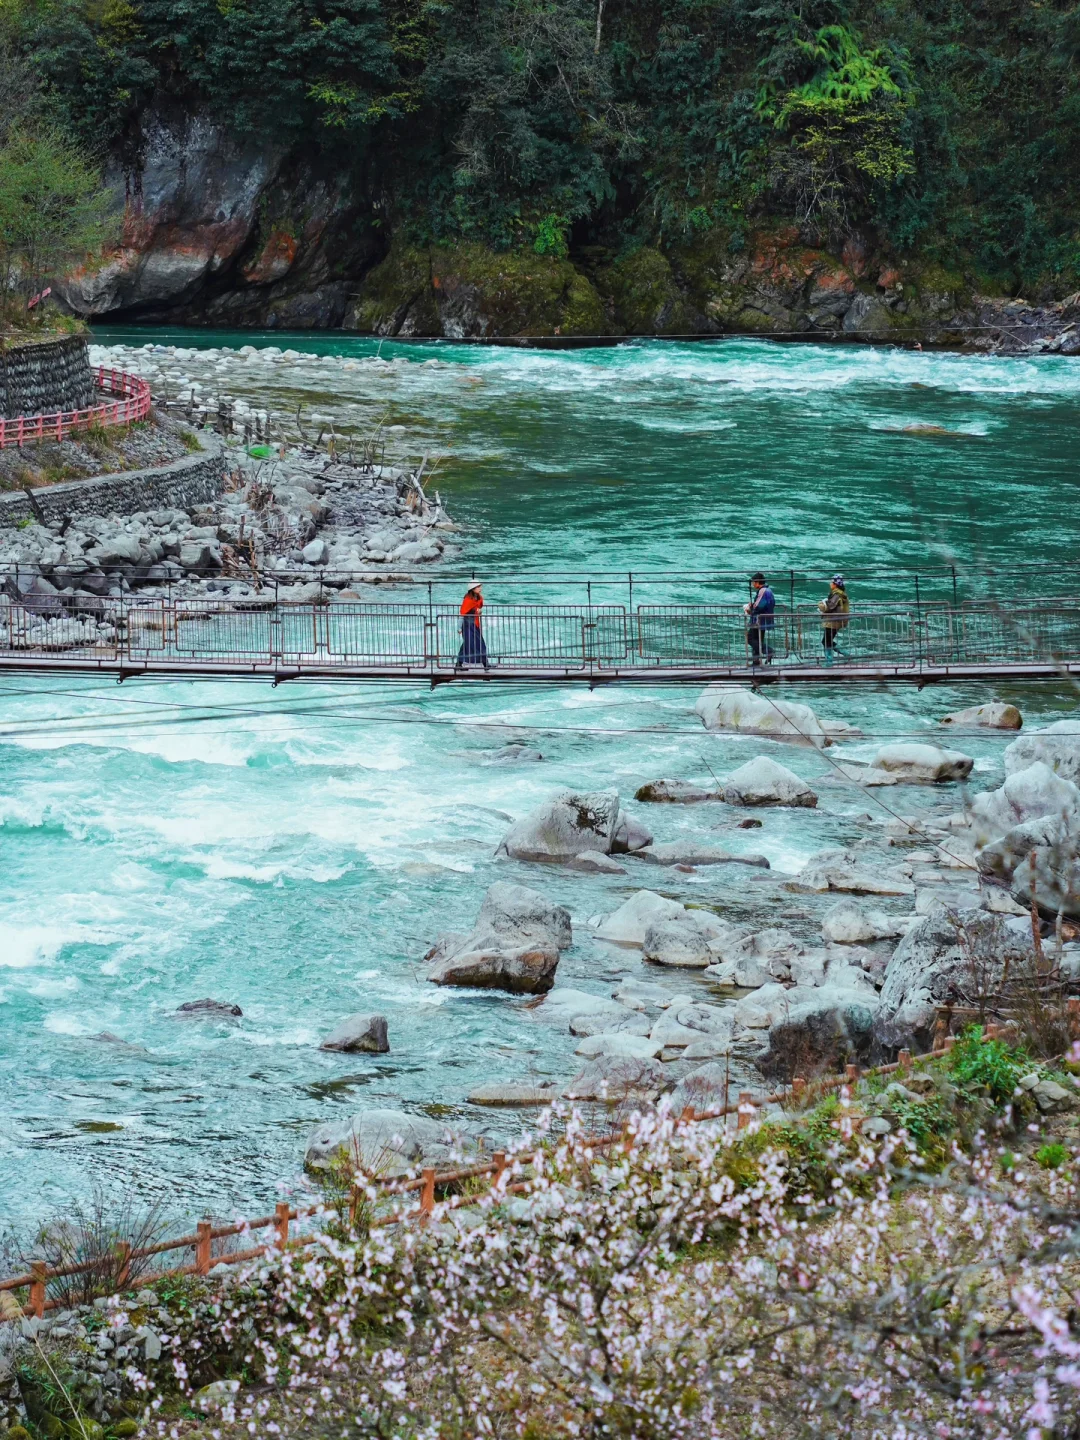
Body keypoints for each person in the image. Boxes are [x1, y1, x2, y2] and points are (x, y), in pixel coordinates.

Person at [456, 581, 489, 670]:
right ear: (473, 589)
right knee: (472, 644)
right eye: (478, 587)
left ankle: (459, 664)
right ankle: (485, 664)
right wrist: (459, 627)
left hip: (474, 625)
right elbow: (462, 615)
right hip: (467, 626)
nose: (480, 588)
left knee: (473, 644)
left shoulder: (478, 598)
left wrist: (478, 610)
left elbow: (478, 607)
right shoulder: (467, 600)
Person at [817, 573, 850, 664]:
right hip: (836, 621)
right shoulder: (841, 594)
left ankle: (829, 662)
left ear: (835, 584)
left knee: (826, 641)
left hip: (832, 621)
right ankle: (845, 654)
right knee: (826, 641)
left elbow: (828, 606)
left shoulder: (836, 595)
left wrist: (820, 604)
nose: (830, 584)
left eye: (832, 582)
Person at [744, 572, 775, 665]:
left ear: (757, 582)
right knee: (757, 640)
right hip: (765, 620)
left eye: (754, 582)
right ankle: (756, 661)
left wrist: (751, 609)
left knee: (750, 638)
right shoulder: (768, 590)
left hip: (759, 620)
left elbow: (759, 606)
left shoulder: (763, 591)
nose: (753, 584)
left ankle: (769, 651)